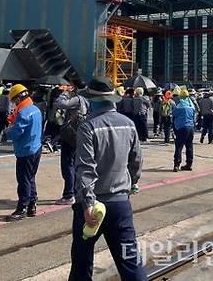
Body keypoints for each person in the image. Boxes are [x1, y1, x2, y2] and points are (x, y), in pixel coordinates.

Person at [69, 76, 145, 281]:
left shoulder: (88, 126)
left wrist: (87, 203)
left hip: (93, 208)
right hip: (121, 204)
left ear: (92, 100)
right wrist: (132, 183)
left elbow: (85, 168)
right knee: (130, 262)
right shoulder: (129, 124)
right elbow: (136, 161)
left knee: (81, 265)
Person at [5, 84, 43, 221]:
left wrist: (7, 131)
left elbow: (15, 133)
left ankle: (22, 208)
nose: (15, 103)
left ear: (19, 98)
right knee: (31, 177)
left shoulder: (23, 113)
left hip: (25, 151)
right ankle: (32, 205)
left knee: (23, 180)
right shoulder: (35, 109)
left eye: (15, 100)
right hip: (36, 148)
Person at [53, 87, 89, 206]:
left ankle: (69, 194)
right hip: (80, 135)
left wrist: (64, 93)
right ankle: (75, 191)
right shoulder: (88, 100)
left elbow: (60, 103)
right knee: (76, 164)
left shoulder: (78, 99)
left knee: (67, 165)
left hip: (71, 136)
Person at [172, 89, 195, 172]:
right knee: (189, 146)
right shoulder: (191, 107)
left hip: (182, 128)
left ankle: (176, 164)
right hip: (190, 127)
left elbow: (173, 114)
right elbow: (194, 118)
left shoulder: (179, 107)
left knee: (179, 146)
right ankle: (189, 164)